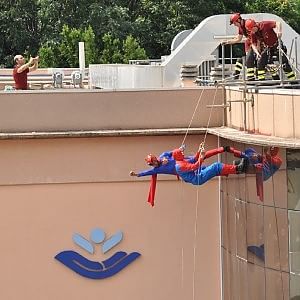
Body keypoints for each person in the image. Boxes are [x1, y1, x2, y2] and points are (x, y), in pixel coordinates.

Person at [130, 146, 231, 206]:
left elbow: (173, 152)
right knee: (204, 166)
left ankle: (223, 155)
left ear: (156, 159)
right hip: (185, 172)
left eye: (154, 162)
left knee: (204, 164)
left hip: (185, 162)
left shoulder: (163, 156)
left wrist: (181, 148)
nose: (154, 164)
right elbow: (146, 173)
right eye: (152, 164)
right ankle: (224, 169)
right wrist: (136, 174)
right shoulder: (157, 169)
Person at [172, 147, 248, 186]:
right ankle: (238, 168)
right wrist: (201, 157)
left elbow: (194, 159)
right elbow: (195, 166)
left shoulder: (181, 161)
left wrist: (199, 151)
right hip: (198, 178)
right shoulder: (180, 165)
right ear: (177, 155)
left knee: (214, 169)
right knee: (216, 166)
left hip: (198, 174)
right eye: (181, 153)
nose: (183, 153)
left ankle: (235, 169)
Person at [223, 13, 256, 80]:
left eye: (235, 23)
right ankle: (236, 75)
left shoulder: (248, 23)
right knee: (240, 60)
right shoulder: (240, 27)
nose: (235, 25)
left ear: (238, 20)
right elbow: (239, 38)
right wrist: (227, 42)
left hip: (255, 43)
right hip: (250, 43)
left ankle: (251, 77)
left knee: (249, 60)